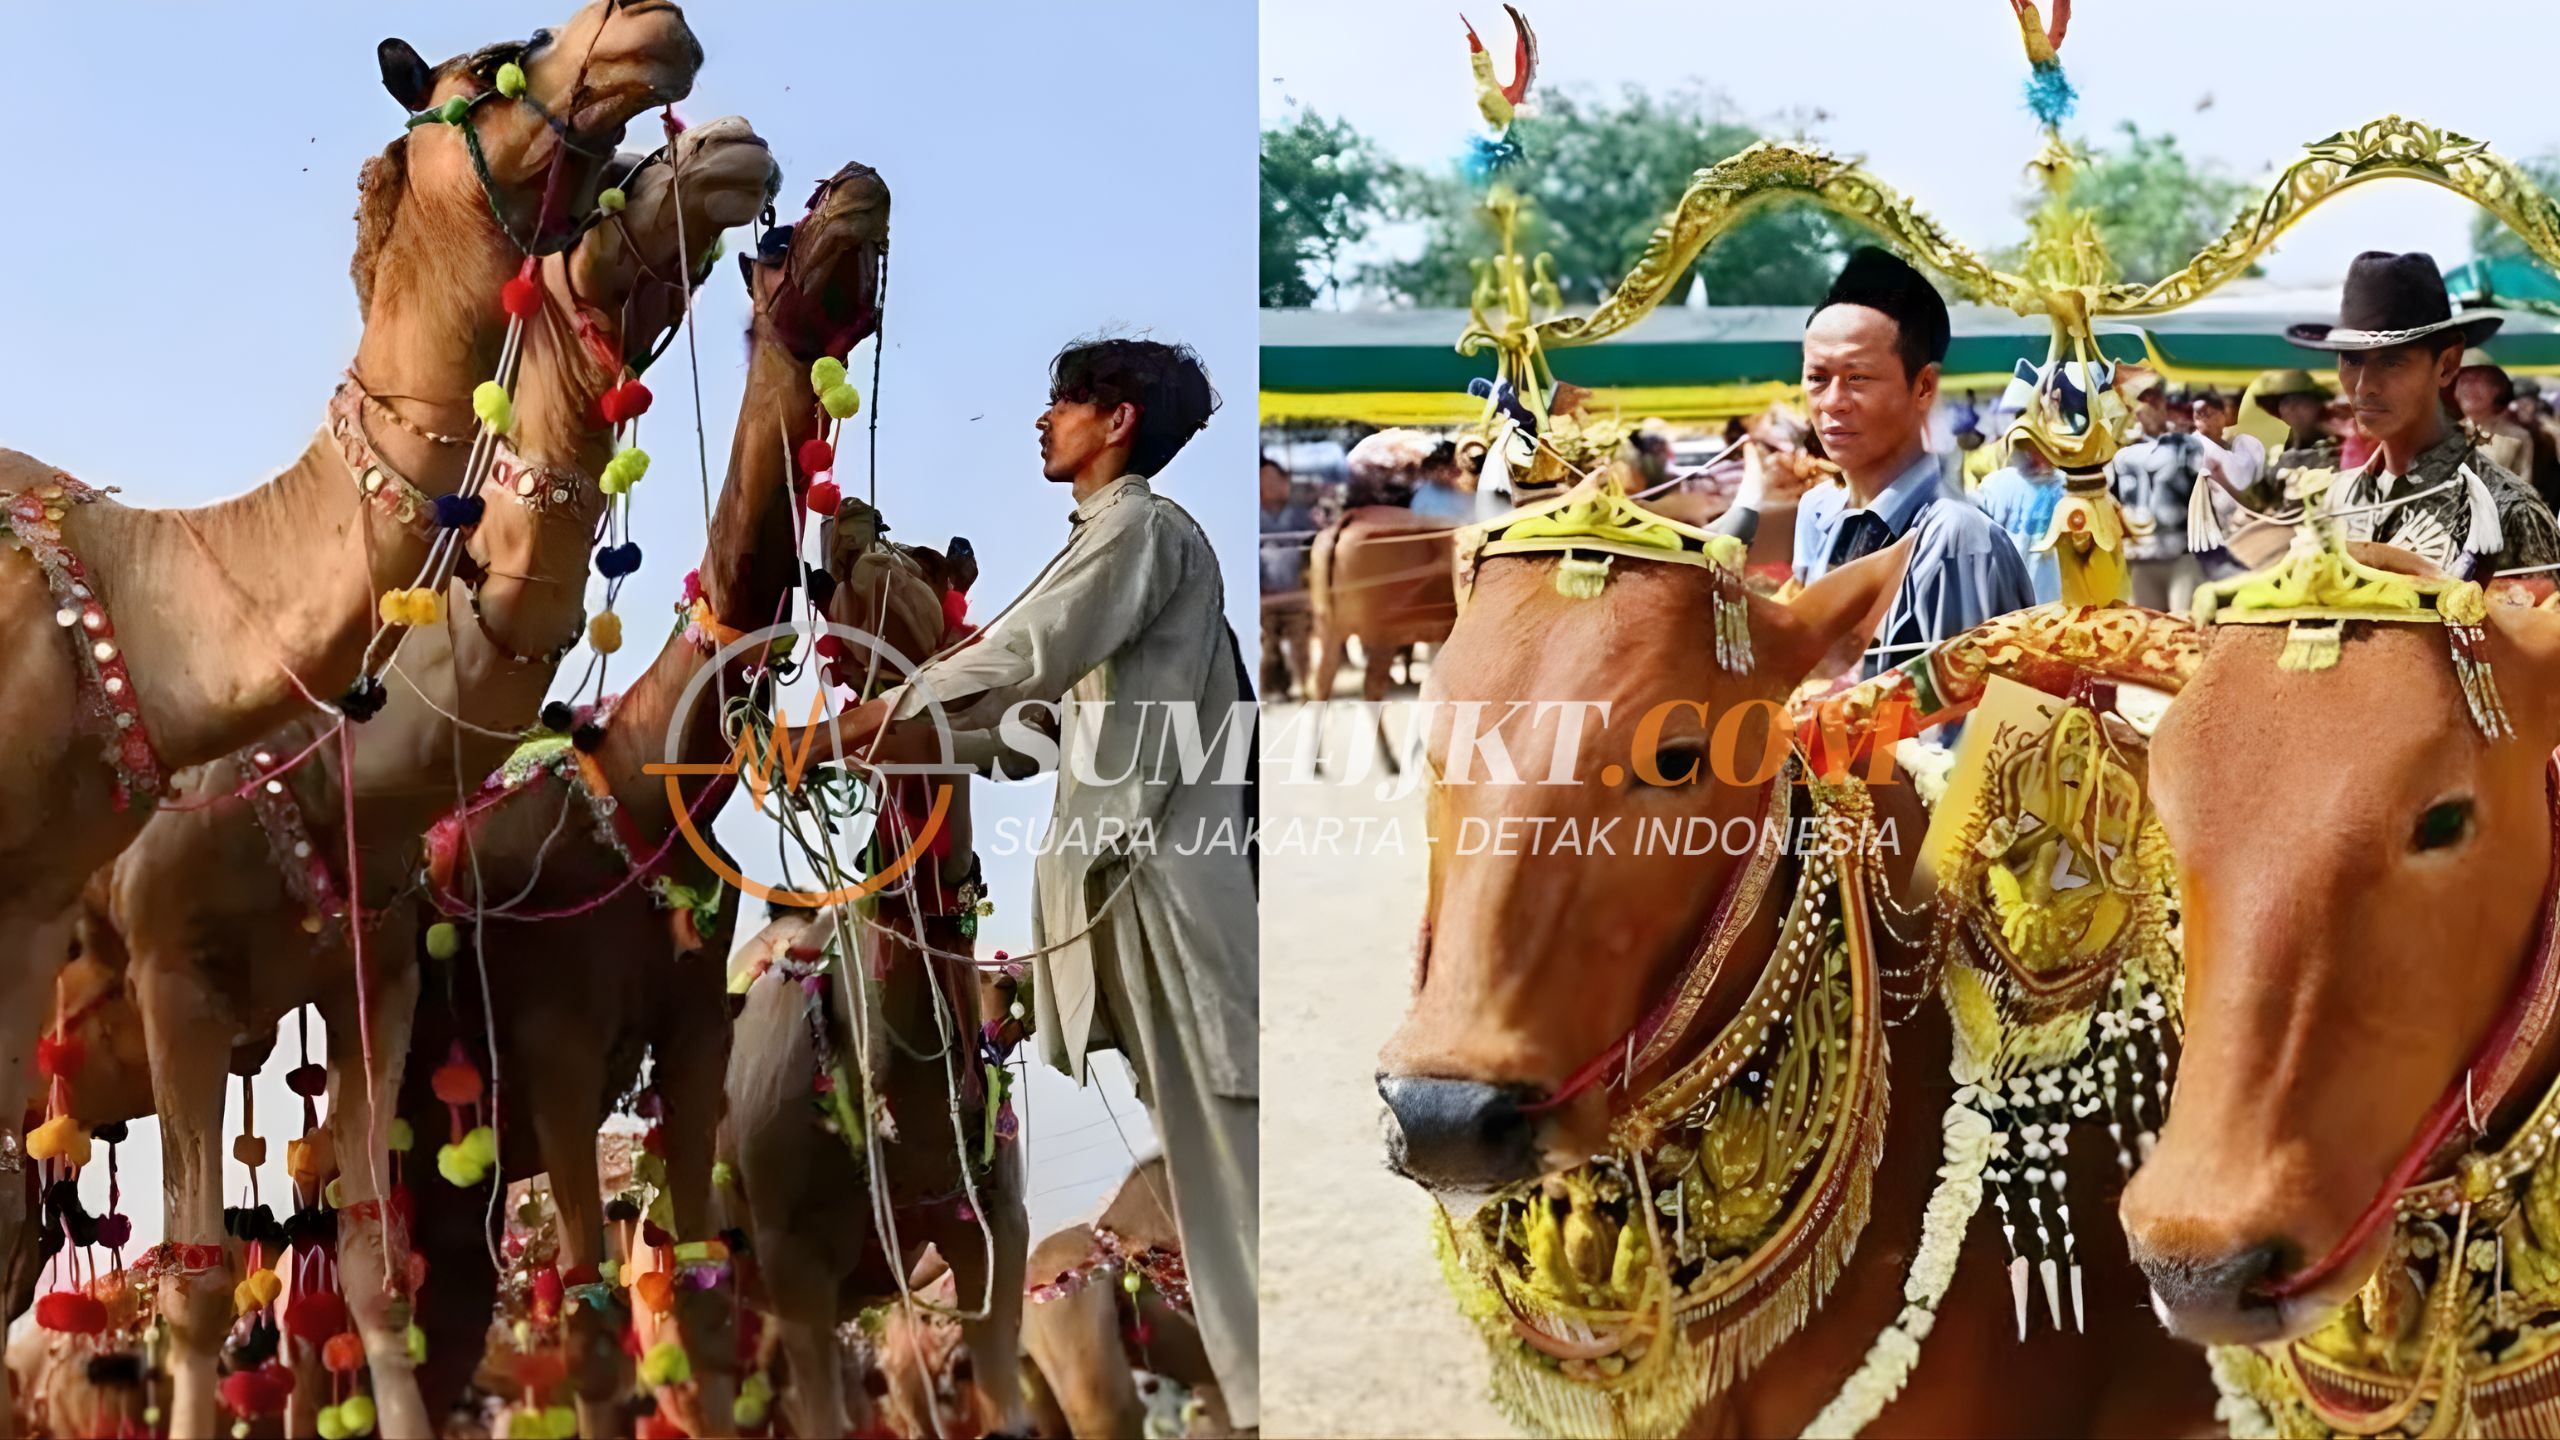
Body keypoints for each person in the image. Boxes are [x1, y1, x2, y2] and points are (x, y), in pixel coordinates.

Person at [831, 337, 1261, 1426]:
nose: (1042, 418)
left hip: (1168, 888)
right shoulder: (1117, 545)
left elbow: (1029, 649)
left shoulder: (1142, 530)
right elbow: (1034, 734)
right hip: (1129, 890)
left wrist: (886, 710)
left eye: (1064, 402)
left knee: (1228, 1157)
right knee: (1205, 1157)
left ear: (1118, 422)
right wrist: (907, 744)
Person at [1791, 246, 2035, 676]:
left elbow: (1971, 708)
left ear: (1923, 387)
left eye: (1857, 378)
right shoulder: (1819, 512)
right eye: (1817, 378)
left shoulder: (1956, 539)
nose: (1832, 402)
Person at [2287, 251, 2560, 577]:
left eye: (2391, 361)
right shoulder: (2336, 499)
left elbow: (2540, 609)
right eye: (2351, 360)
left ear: (2446, 365)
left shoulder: (2506, 509)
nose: (2363, 386)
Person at [2108, 378, 2205, 611]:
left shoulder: (2187, 446)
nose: (2148, 408)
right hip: (2140, 555)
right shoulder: (2122, 454)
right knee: (2146, 622)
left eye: (2155, 401)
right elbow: (2113, 500)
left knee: (2183, 622)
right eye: (2143, 401)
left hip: (2180, 552)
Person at [2189, 388, 2276, 577]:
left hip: (2248, 534)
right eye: (2198, 413)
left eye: (2208, 413)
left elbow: (2249, 492)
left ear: (2224, 415)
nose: (2202, 417)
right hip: (2211, 542)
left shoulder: (2245, 444)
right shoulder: (2196, 446)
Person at [1973, 439, 2064, 603]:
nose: (2039, 455)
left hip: (2057, 602)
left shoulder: (2068, 486)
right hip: (2009, 602)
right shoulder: (1997, 485)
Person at [1259, 454, 1317, 698]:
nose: (1270, 486)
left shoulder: (1301, 516)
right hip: (1264, 598)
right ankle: (1271, 690)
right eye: (1264, 480)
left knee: (1300, 644)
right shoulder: (1253, 517)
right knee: (1268, 647)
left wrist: (1307, 583)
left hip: (1296, 594)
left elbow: (1314, 552)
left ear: (1285, 483)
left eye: (1275, 480)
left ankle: (1305, 688)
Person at [2454, 349, 2538, 481]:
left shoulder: (2516, 437)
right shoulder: (2438, 431)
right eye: (2465, 380)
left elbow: (2524, 483)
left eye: (2482, 381)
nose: (2471, 389)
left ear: (2497, 388)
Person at [1407, 438, 1476, 522]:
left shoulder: (1471, 487)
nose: (1447, 473)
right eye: (1441, 470)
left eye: (1453, 465)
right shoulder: (1423, 498)